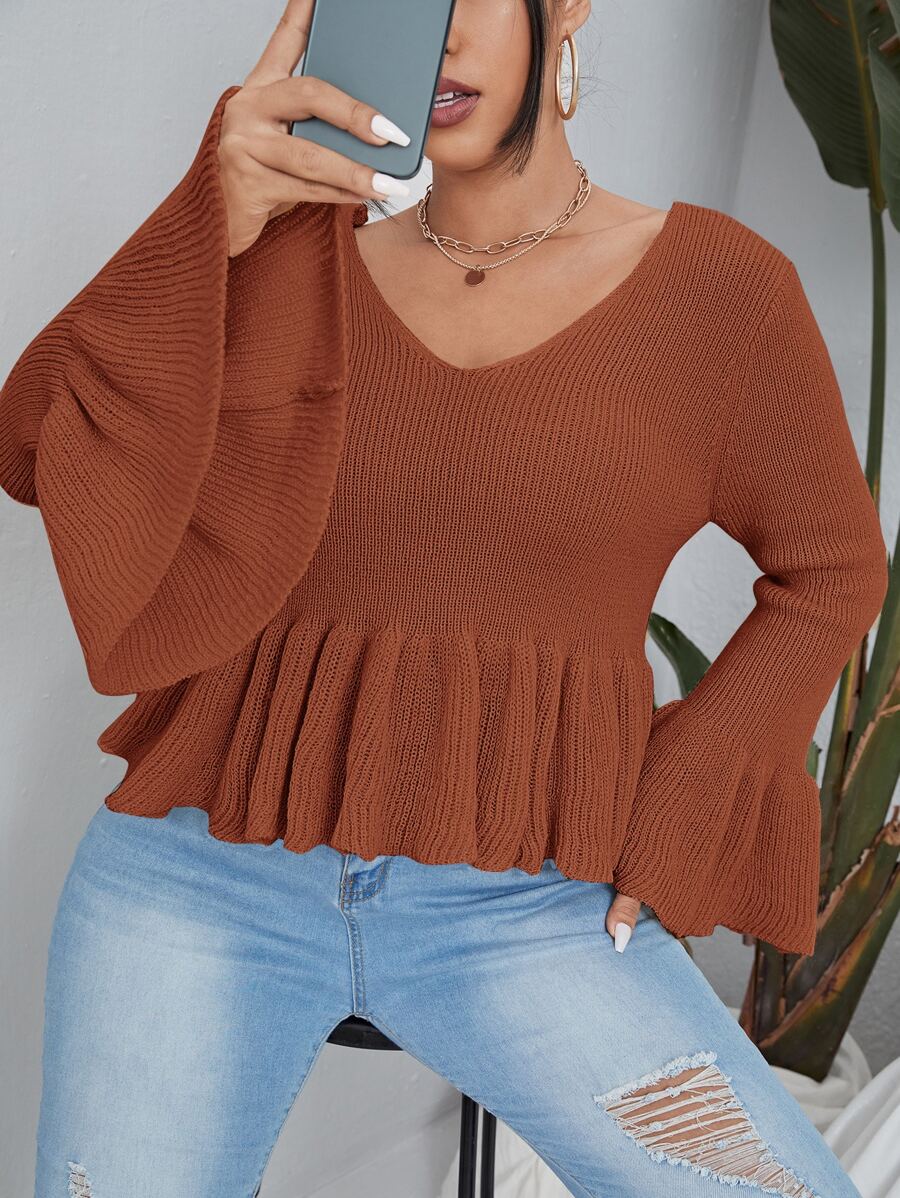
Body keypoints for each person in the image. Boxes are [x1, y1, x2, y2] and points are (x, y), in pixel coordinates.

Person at [2, 1, 888, 1195]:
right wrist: (208, 218)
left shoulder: (720, 294)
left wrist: (683, 793)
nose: (437, 38)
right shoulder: (289, 263)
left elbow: (833, 566)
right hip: (203, 872)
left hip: (527, 902)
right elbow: (36, 442)